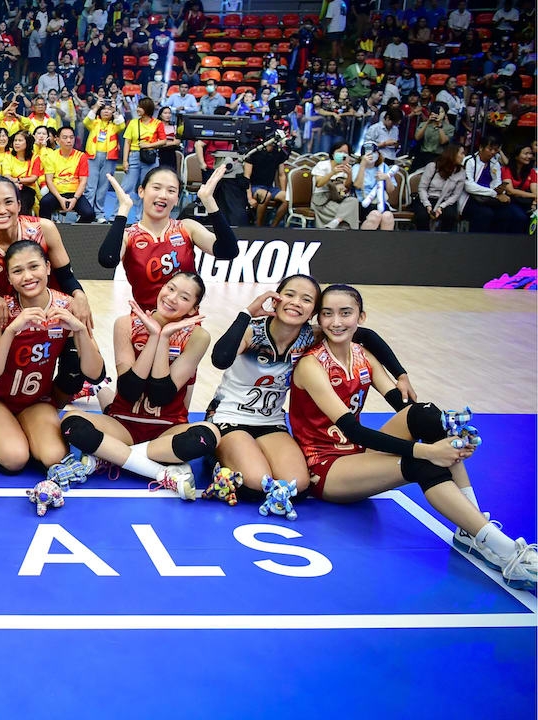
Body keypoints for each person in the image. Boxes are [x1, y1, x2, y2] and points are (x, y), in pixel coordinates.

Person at [288, 284, 536, 590]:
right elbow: (352, 430)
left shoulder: (363, 356)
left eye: (345, 313)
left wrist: (448, 433)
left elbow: (407, 410)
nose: (336, 322)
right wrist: (429, 451)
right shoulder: (311, 365)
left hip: (357, 455)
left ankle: (470, 529)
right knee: (424, 463)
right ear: (319, 319)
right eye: (327, 314)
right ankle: (507, 551)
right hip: (327, 468)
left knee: (428, 415)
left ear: (360, 318)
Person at [206, 276, 415, 498]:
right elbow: (220, 359)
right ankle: (216, 456)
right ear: (275, 300)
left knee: (297, 485)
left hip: (270, 422)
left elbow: (367, 336)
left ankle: (239, 456)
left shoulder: (310, 335)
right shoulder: (252, 331)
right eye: (289, 295)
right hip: (228, 416)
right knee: (257, 481)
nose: (296, 302)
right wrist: (246, 313)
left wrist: (400, 375)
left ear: (313, 312)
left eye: (306, 299)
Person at [61, 273, 219, 497]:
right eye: (170, 288)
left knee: (209, 435)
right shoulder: (126, 323)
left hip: (168, 429)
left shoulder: (198, 336)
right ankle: (161, 473)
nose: (172, 298)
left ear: (194, 309)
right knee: (71, 422)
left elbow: (160, 395)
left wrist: (163, 339)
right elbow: (129, 390)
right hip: (123, 424)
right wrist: (153, 336)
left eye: (184, 297)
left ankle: (110, 456)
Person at [0, 240, 105, 474]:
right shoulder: (2, 310)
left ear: (48, 267)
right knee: (14, 458)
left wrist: (80, 331)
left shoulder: (67, 306)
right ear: (9, 278)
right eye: (17, 271)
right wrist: (11, 330)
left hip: (34, 399)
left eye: (34, 267)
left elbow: (95, 375)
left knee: (55, 456)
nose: (28, 276)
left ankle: (19, 428)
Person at [98, 167, 238, 310]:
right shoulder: (129, 236)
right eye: (156, 188)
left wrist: (209, 201)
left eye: (171, 191)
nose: (163, 195)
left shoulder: (187, 228)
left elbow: (229, 251)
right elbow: (108, 260)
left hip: (185, 319)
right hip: (146, 318)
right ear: (141, 191)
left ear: (177, 199)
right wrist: (123, 209)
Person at [0, 176, 94, 330]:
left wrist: (80, 296)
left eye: (8, 202)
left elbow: (66, 276)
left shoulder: (44, 229)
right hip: (12, 319)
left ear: (19, 205)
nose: (2, 210)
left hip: (56, 314)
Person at [39, 125, 95, 223]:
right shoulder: (51, 156)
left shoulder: (81, 156)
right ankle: (47, 230)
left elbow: (83, 181)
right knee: (44, 203)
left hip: (75, 194)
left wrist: (75, 199)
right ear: (57, 140)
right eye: (65, 137)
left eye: (71, 137)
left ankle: (74, 230)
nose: (69, 140)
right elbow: (49, 181)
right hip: (57, 194)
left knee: (89, 214)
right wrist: (60, 199)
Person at [410, 144, 465, 231]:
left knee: (450, 215)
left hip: (446, 201)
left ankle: (443, 238)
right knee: (422, 216)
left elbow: (456, 195)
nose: (463, 156)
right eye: (461, 153)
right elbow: (422, 188)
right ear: (453, 154)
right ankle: (423, 237)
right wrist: (427, 205)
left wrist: (441, 207)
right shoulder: (432, 166)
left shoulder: (461, 172)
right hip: (427, 198)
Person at [310, 142, 363, 229]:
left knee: (353, 201)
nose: (342, 154)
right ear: (333, 153)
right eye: (340, 151)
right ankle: (345, 229)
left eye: (345, 153)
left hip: (338, 198)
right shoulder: (322, 165)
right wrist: (332, 173)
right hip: (322, 199)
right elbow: (319, 184)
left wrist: (349, 174)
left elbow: (346, 188)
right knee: (349, 212)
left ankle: (335, 222)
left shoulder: (346, 167)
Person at [353, 141, 398, 230]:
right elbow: (357, 185)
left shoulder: (384, 167)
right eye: (367, 153)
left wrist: (387, 177)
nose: (371, 155)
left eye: (374, 152)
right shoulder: (356, 167)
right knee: (375, 215)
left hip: (381, 202)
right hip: (363, 203)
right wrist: (363, 165)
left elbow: (391, 190)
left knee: (388, 216)